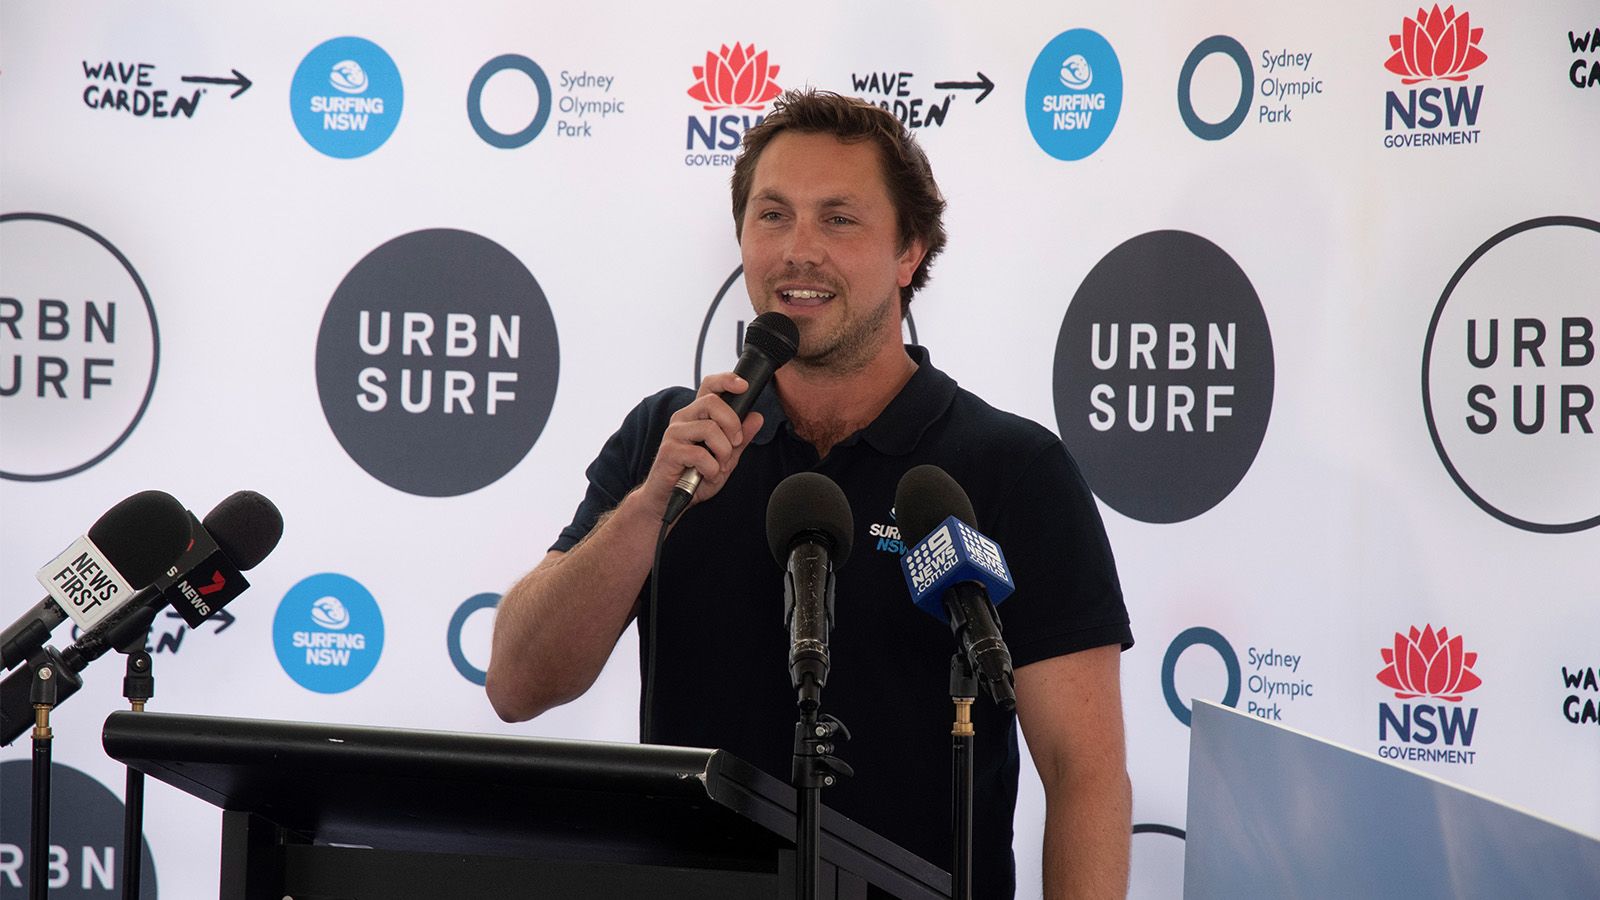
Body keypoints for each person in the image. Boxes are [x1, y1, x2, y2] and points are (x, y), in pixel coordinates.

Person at [487, 88, 1133, 899]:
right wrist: (651, 504)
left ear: (910, 253)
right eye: (772, 216)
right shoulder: (670, 442)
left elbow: (1085, 775)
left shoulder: (1014, 468)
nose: (799, 251)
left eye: (839, 218)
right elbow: (517, 683)